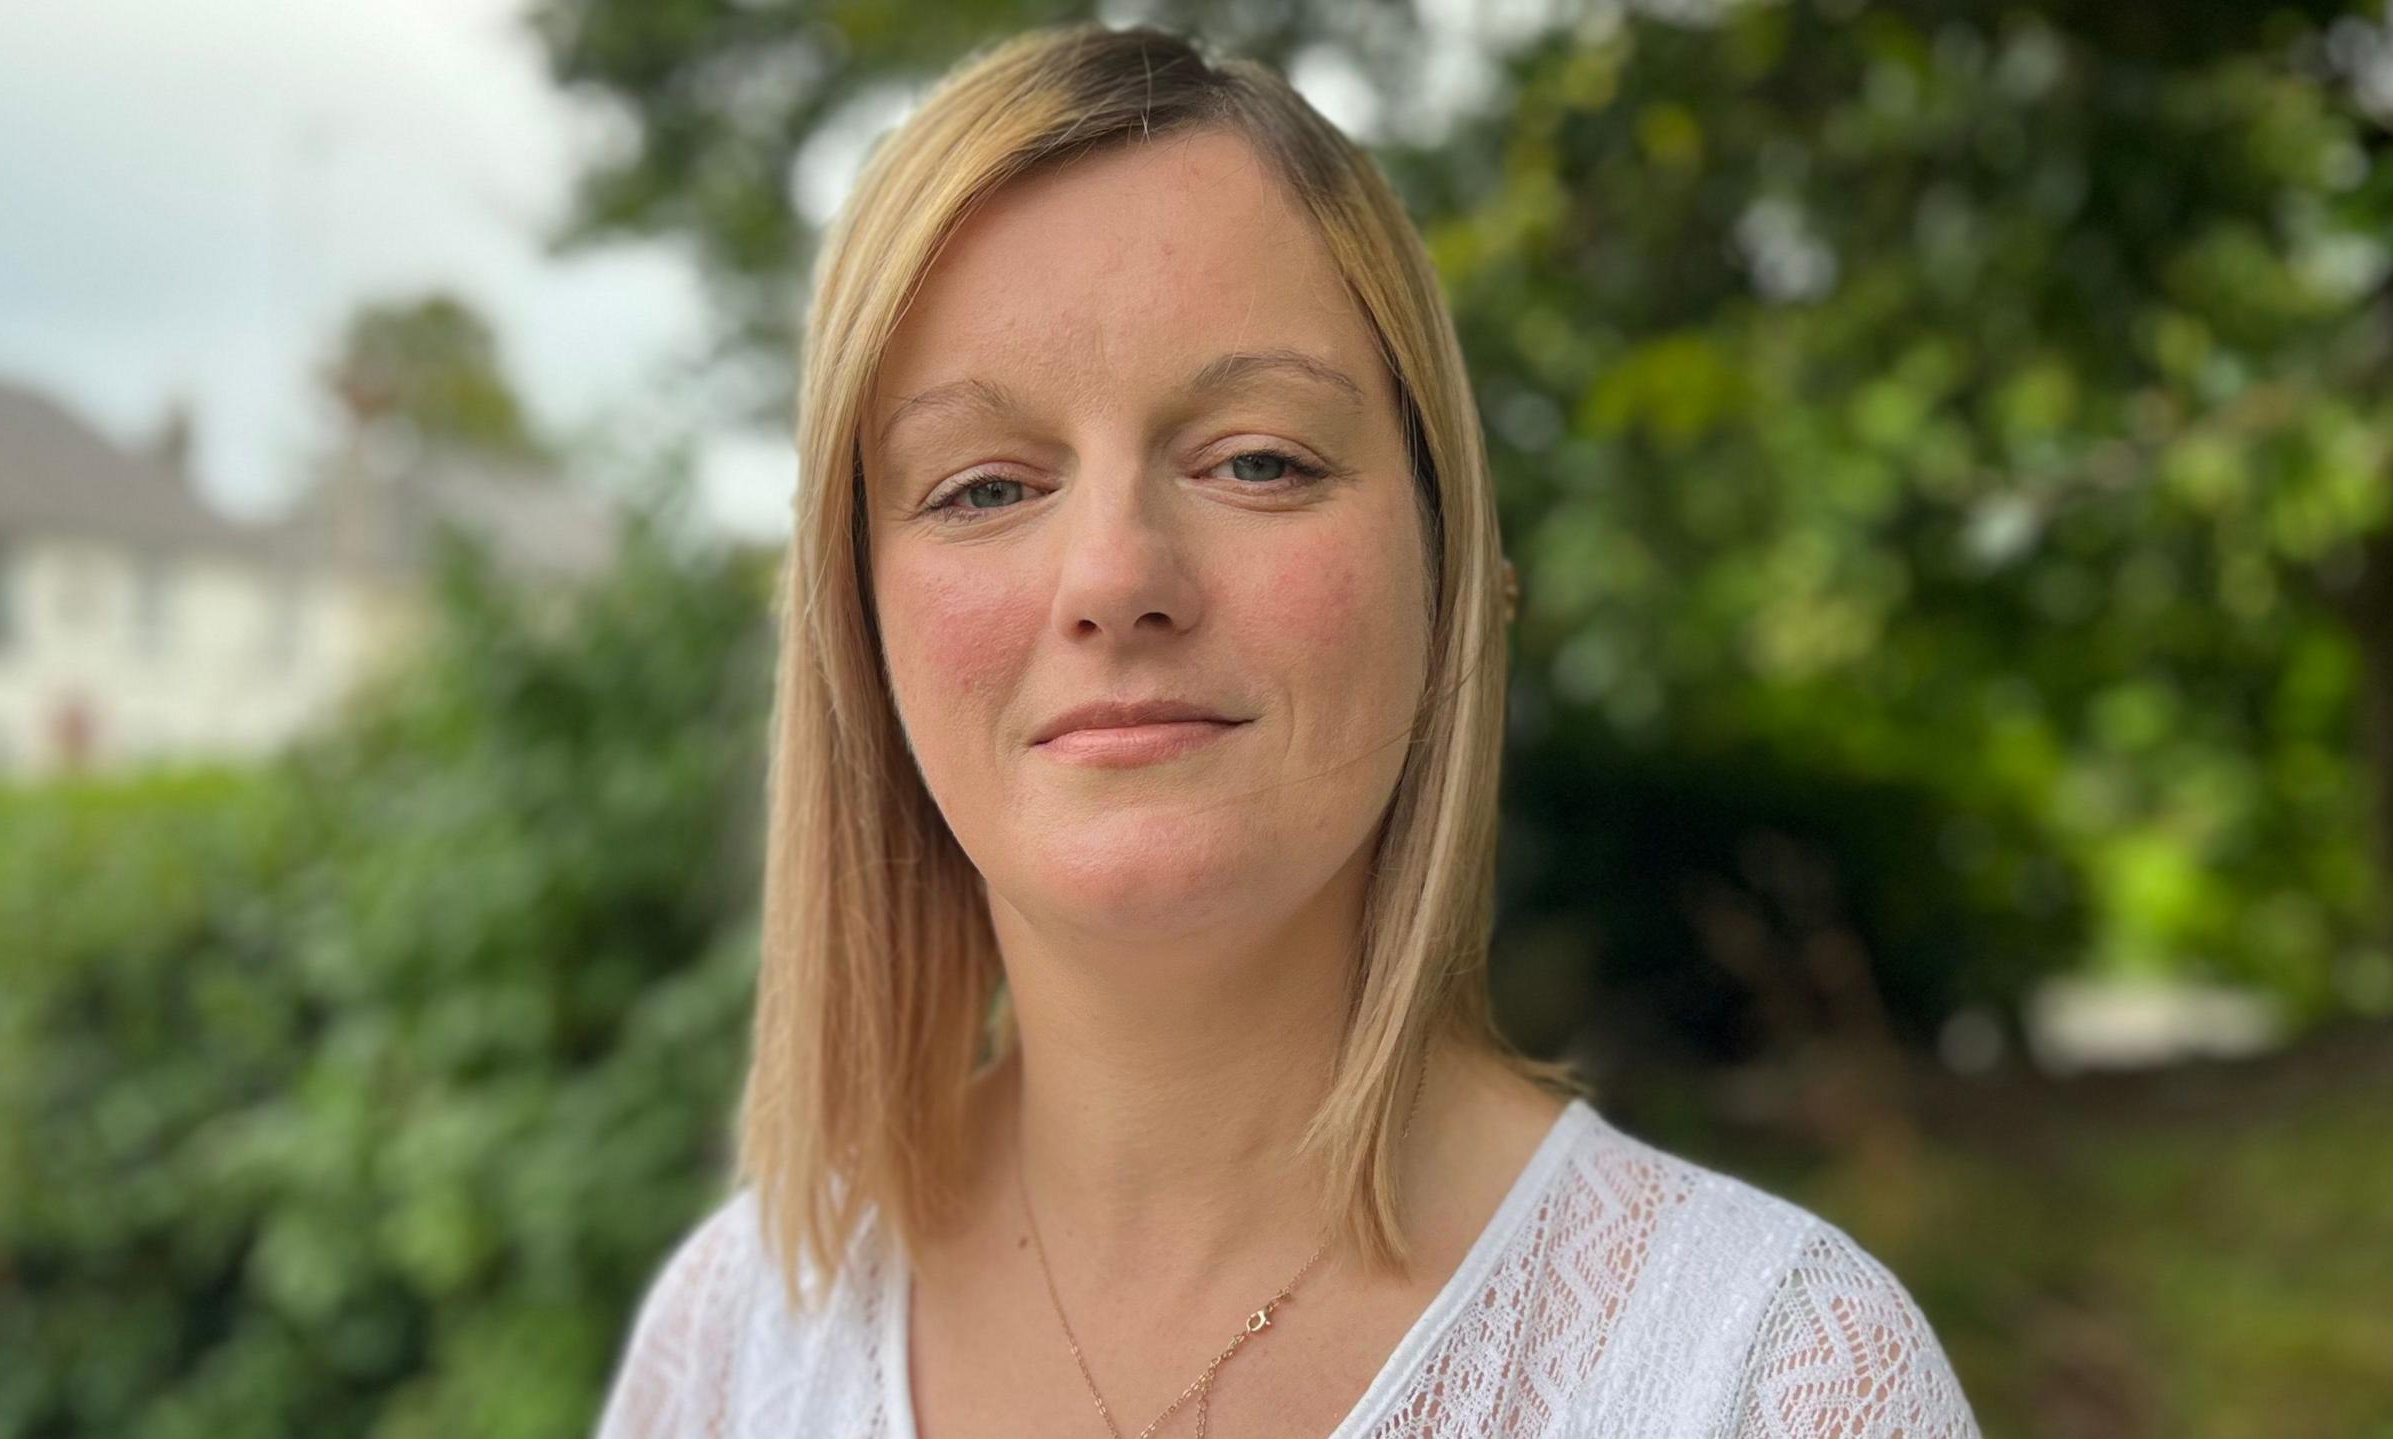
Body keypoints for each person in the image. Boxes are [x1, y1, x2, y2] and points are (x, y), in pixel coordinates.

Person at [592, 21, 1980, 1439]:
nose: (1116, 578)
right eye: (984, 488)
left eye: (1258, 459)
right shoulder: (736, 1347)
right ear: (858, 620)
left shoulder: (1771, 1381)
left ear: (1447, 571)